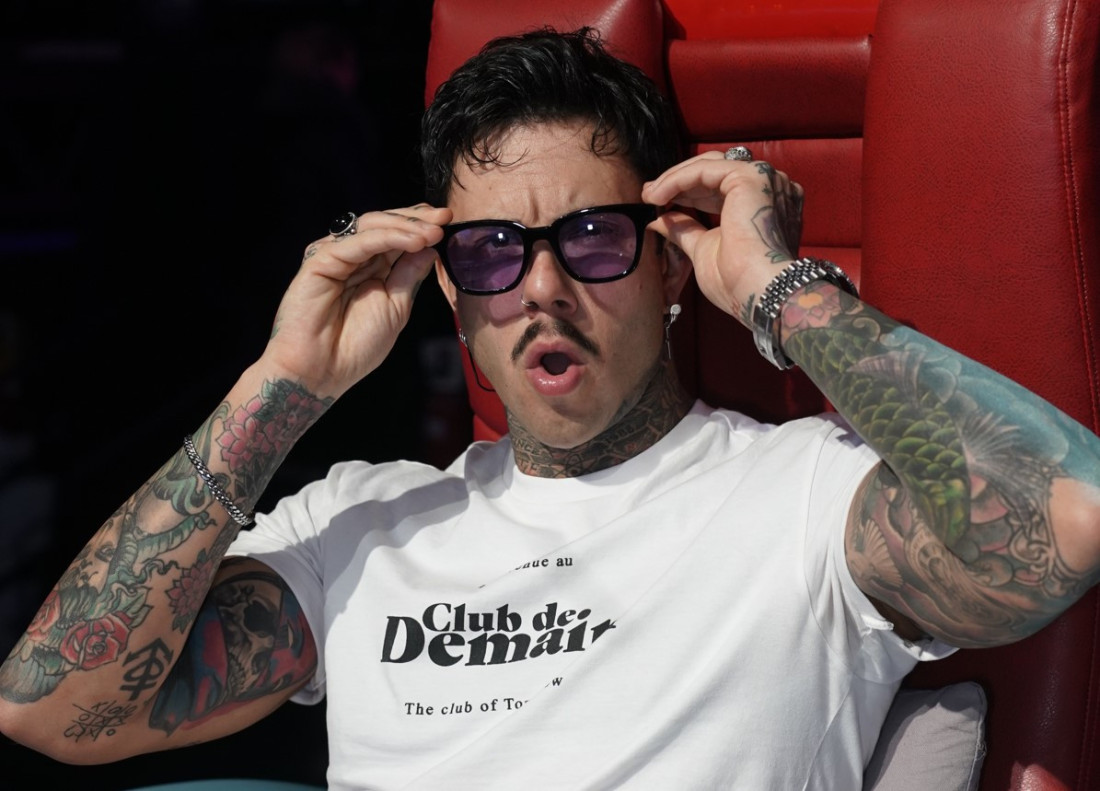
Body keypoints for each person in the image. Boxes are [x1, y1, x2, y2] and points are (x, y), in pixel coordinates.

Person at [1, 26, 1098, 790]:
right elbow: (49, 704)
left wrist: (776, 287)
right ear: (451, 293)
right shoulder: (358, 526)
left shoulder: (801, 492)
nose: (540, 287)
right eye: (491, 250)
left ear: (667, 266)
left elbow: (1072, 510)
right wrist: (280, 388)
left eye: (591, 237)